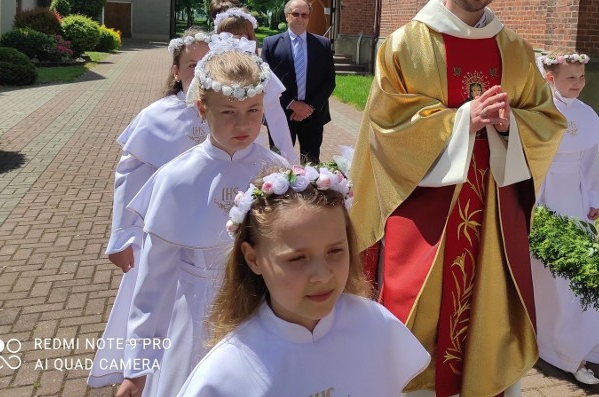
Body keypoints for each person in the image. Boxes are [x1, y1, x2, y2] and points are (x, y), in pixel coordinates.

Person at [349, 0, 566, 397]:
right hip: (426, 202)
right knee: (416, 302)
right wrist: (465, 118)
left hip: (492, 207)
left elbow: (547, 119)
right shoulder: (407, 43)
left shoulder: (516, 49)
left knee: (487, 302)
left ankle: (484, 378)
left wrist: (511, 125)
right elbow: (387, 124)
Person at [115, 36, 288, 397]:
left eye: (253, 111)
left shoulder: (276, 171)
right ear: (201, 109)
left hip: (261, 312)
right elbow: (153, 284)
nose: (243, 124)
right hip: (196, 314)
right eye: (228, 112)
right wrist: (138, 366)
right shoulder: (176, 179)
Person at [175, 161, 430, 397]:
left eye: (335, 251)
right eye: (297, 259)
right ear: (253, 259)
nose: (322, 276)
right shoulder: (227, 371)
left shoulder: (375, 325)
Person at [88, 28, 211, 388]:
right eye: (191, 65)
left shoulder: (227, 111)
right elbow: (128, 175)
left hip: (212, 239)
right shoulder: (157, 116)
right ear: (176, 72)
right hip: (164, 235)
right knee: (160, 308)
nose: (198, 73)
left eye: (207, 64)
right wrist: (121, 234)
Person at [530, 50, 599, 385]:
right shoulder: (539, 112)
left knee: (575, 277)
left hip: (575, 202)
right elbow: (533, 163)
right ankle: (542, 341)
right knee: (546, 278)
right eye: (570, 78)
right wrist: (535, 206)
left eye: (581, 77)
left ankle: (574, 347)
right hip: (545, 198)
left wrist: (594, 198)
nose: (577, 84)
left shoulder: (586, 114)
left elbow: (590, 162)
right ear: (551, 78)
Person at [213, 8, 297, 164]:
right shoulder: (209, 71)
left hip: (250, 142)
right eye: (229, 35)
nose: (235, 41)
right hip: (215, 146)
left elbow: (276, 118)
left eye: (241, 36)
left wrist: (289, 160)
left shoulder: (261, 73)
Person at [261, 0, 336, 163]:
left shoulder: (322, 44)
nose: (300, 18)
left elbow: (329, 80)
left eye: (304, 15)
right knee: (279, 162)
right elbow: (266, 81)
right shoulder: (270, 44)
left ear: (309, 18)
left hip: (313, 114)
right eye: (295, 14)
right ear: (287, 16)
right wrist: (292, 104)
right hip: (280, 112)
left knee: (311, 162)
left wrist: (309, 107)